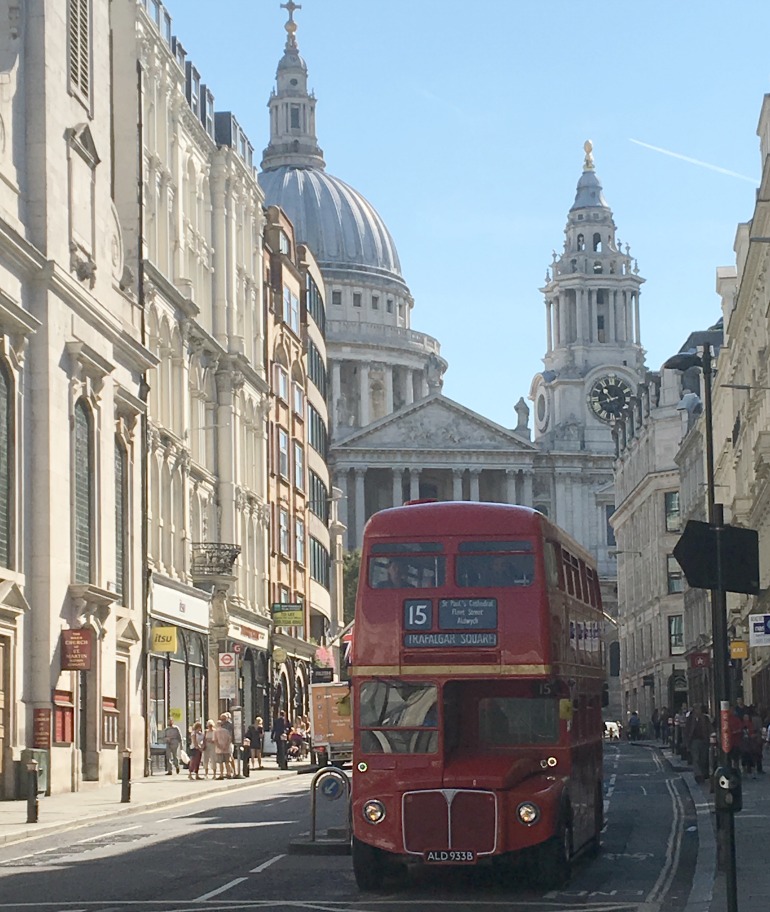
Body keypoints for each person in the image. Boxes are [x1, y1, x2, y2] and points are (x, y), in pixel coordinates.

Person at [684, 704, 711, 783]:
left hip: (704, 741)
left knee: (703, 759)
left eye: (699, 709)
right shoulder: (690, 719)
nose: (697, 711)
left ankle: (702, 773)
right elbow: (686, 731)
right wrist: (686, 742)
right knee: (696, 759)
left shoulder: (705, 718)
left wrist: (712, 735)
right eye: (696, 709)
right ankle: (698, 776)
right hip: (694, 741)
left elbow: (709, 728)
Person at [220, 712, 236, 777]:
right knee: (226, 758)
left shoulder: (230, 725)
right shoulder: (221, 725)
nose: (222, 720)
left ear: (227, 718)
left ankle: (233, 771)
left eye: (223, 719)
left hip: (229, 743)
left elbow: (230, 735)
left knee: (230, 757)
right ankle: (229, 771)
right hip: (222, 743)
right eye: (221, 719)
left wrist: (228, 743)